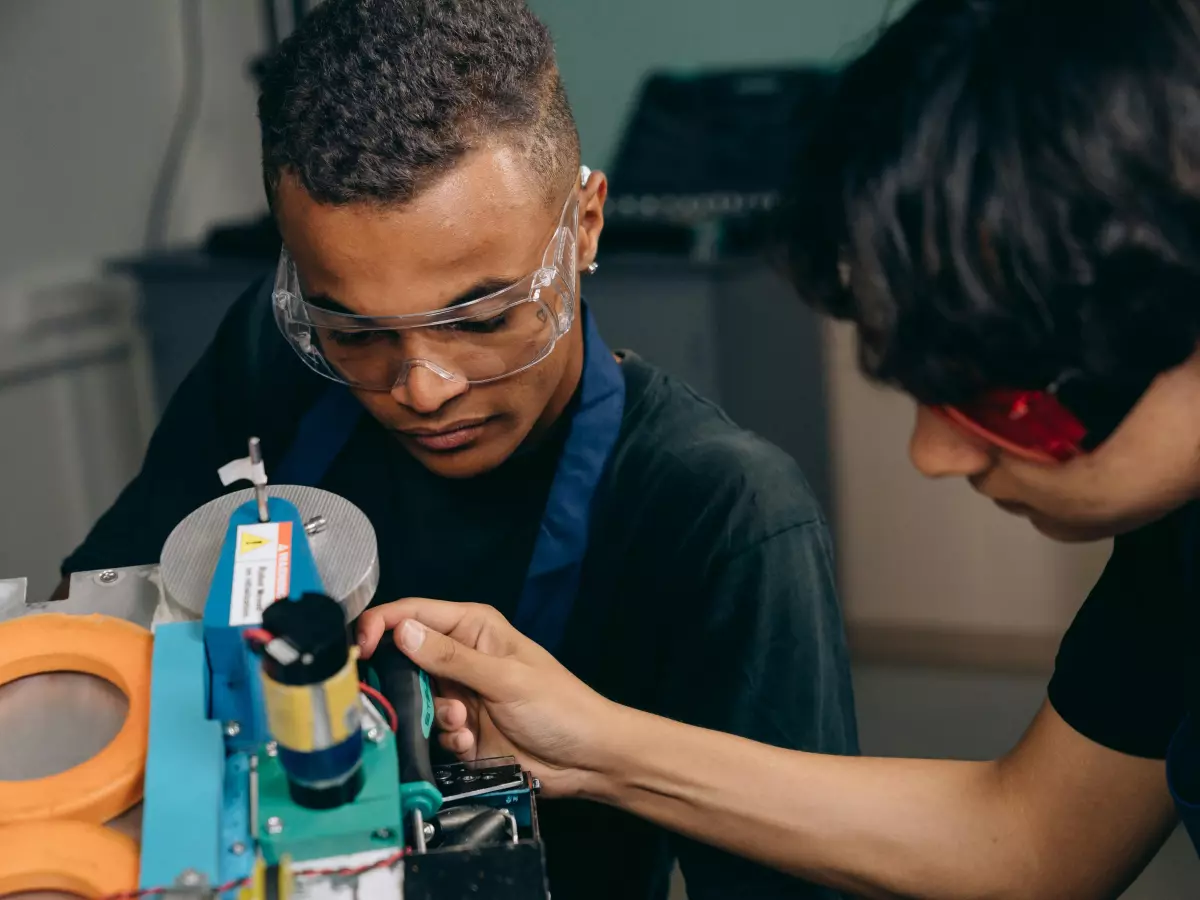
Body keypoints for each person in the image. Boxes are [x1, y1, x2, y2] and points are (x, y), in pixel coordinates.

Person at [356, 0, 1200, 897]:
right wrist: (590, 740)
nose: (933, 454)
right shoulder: (1175, 546)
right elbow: (1031, 844)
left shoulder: (726, 495)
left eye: (995, 394)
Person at [58, 1, 857, 897]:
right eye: (356, 332)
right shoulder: (274, 355)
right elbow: (98, 624)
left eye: (479, 319)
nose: (422, 387)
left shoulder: (727, 514)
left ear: (585, 226)